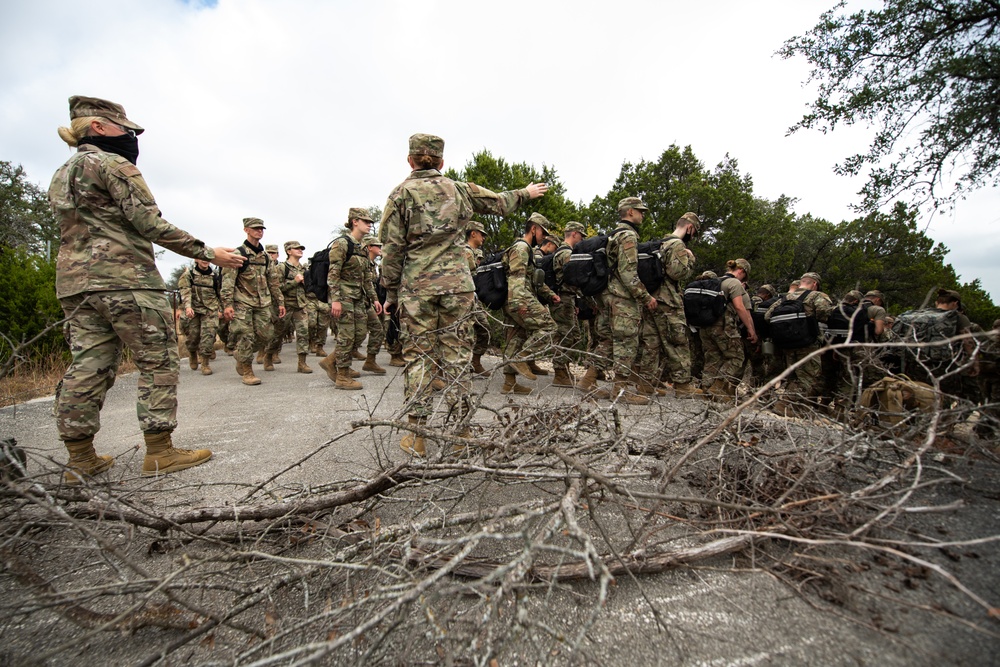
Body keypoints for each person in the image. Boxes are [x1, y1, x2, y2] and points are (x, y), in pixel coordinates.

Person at [48, 95, 245, 482]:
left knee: (87, 367)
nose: (131, 136)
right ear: (100, 127)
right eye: (126, 128)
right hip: (126, 280)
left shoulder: (61, 173)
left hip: (75, 285)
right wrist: (207, 252)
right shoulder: (113, 164)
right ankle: (159, 451)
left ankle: (80, 460)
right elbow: (149, 223)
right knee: (157, 360)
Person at [380, 133, 547, 456]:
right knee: (457, 357)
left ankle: (417, 435)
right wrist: (525, 193)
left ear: (410, 160)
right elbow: (500, 202)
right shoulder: (459, 190)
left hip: (418, 289)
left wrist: (390, 291)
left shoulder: (399, 195)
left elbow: (392, 249)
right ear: (442, 162)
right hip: (458, 287)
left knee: (419, 357)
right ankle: (461, 433)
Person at [591, 197, 659, 405]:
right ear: (630, 212)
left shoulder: (613, 234)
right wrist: (645, 296)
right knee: (627, 341)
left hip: (607, 296)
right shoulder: (628, 236)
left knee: (608, 340)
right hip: (622, 297)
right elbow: (628, 273)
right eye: (640, 211)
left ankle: (588, 380)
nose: (643, 215)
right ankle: (620, 391)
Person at [637, 212, 704, 398]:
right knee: (678, 342)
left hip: (651, 300)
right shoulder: (677, 245)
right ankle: (683, 386)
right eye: (694, 232)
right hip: (668, 302)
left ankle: (645, 383)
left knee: (651, 343)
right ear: (690, 228)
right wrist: (690, 260)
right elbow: (676, 273)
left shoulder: (659, 243)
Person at [319, 209, 381, 389]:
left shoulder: (361, 247)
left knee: (360, 333)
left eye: (370, 222)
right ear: (355, 222)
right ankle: (343, 376)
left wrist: (374, 299)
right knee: (346, 336)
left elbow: (366, 279)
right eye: (366, 221)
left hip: (359, 298)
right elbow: (333, 274)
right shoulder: (342, 244)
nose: (370, 224)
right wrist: (336, 299)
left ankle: (331, 361)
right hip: (344, 297)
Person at [501, 213, 560, 394]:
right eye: (543, 232)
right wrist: (522, 303)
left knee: (515, 339)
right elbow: (517, 280)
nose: (544, 237)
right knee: (549, 327)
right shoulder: (521, 248)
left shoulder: (524, 248)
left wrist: (550, 295)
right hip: (518, 298)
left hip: (515, 298)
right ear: (534, 229)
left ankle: (509, 383)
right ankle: (524, 357)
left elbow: (533, 281)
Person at [221, 218, 285, 385]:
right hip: (242, 302)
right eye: (256, 228)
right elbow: (228, 282)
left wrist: (280, 302)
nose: (259, 231)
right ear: (246, 230)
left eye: (261, 229)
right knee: (246, 336)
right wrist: (227, 305)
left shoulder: (265, 257)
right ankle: (247, 371)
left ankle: (240, 354)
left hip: (263, 303)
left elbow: (273, 282)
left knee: (267, 334)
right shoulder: (238, 254)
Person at [765, 272, 833, 414]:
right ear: (814, 284)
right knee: (808, 375)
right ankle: (786, 405)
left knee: (794, 375)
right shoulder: (817, 296)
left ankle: (791, 405)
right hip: (807, 342)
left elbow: (767, 316)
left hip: (787, 343)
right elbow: (825, 314)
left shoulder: (784, 298)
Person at [701, 259, 758, 401]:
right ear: (741, 271)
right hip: (724, 326)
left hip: (706, 325)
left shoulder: (714, 281)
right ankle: (718, 386)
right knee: (736, 356)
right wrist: (751, 329)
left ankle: (707, 388)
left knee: (713, 356)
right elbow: (740, 307)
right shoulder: (734, 283)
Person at [549, 221, 586, 388]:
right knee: (565, 335)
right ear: (574, 234)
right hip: (562, 299)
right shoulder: (566, 253)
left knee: (574, 335)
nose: (582, 239)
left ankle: (563, 367)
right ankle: (559, 372)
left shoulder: (564, 251)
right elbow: (573, 278)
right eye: (581, 235)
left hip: (568, 299)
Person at [268, 241, 312, 374]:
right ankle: (269, 356)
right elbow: (276, 288)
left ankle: (302, 363)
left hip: (300, 305)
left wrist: (306, 283)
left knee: (304, 333)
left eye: (301, 248)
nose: (300, 250)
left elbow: (308, 289)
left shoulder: (303, 269)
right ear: (288, 251)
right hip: (285, 306)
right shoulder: (281, 268)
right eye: (297, 248)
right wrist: (295, 282)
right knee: (277, 334)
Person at [178, 259, 221, 375]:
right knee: (193, 337)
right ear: (196, 260)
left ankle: (205, 363)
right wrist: (187, 307)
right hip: (193, 310)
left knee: (209, 336)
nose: (205, 261)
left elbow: (220, 294)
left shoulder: (215, 277)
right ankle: (192, 352)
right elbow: (185, 292)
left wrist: (221, 309)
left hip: (210, 310)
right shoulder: (189, 275)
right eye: (202, 258)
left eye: (207, 259)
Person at [463, 220, 493, 377]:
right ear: (473, 233)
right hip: (465, 298)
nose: (483, 238)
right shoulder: (465, 251)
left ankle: (475, 361)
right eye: (482, 234)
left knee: (484, 329)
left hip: (475, 298)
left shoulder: (474, 253)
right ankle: (459, 365)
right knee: (464, 332)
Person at [358, 235, 387, 375]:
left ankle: (370, 361)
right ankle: (332, 363)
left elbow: (369, 284)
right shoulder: (361, 262)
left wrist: (375, 299)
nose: (380, 249)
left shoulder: (372, 265)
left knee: (377, 329)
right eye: (378, 246)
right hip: (356, 302)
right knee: (356, 334)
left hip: (367, 302)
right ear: (369, 247)